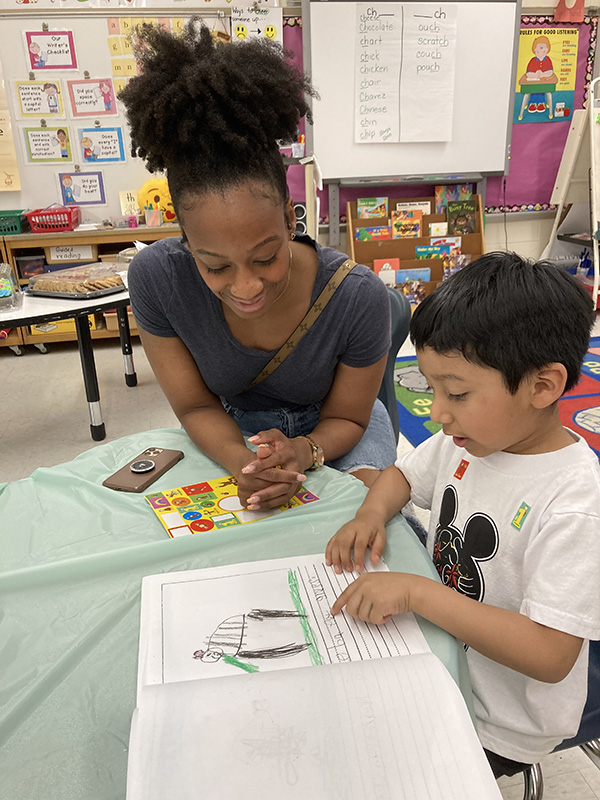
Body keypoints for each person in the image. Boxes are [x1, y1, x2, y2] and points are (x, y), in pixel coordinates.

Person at [325, 252, 600, 778]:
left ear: (543, 386)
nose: (437, 413)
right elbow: (402, 478)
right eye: (431, 390)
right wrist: (370, 514)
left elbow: (550, 654)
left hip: (501, 720)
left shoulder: (573, 501)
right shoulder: (468, 440)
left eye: (456, 393)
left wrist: (416, 593)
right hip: (444, 656)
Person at [119, 20, 397, 512]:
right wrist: (243, 464)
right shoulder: (158, 280)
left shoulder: (357, 297)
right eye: (215, 267)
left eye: (266, 257)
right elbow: (195, 405)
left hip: (335, 432)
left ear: (292, 221)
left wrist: (306, 451)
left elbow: (351, 420)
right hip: (230, 427)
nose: (246, 286)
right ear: (186, 242)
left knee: (368, 525)